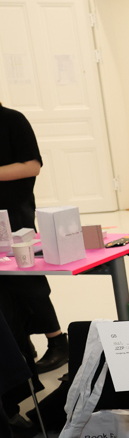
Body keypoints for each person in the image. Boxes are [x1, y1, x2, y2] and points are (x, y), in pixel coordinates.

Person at [0, 102, 68, 379]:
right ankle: (19, 344)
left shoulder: (13, 120)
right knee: (3, 286)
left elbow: (32, 166)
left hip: (15, 212)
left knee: (27, 279)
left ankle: (57, 341)